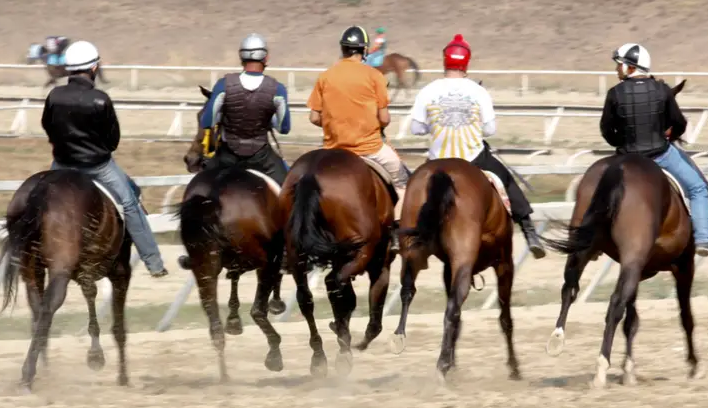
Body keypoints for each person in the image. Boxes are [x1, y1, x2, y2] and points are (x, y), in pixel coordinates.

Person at [409, 34, 546, 259]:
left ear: (445, 61)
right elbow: (490, 130)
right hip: (473, 158)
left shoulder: (428, 90)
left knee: (412, 187)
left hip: (437, 160)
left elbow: (416, 128)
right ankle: (529, 230)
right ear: (466, 63)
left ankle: (402, 233)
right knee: (506, 179)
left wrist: (436, 126)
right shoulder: (478, 91)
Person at [41, 41, 169, 278]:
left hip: (61, 165)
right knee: (130, 203)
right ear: (93, 68)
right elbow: (112, 140)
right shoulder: (100, 99)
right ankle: (154, 262)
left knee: (39, 201)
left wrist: (63, 147)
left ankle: (23, 254)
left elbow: (47, 126)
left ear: (69, 69)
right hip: (98, 167)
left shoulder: (54, 95)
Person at [600, 43, 708, 262]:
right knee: (698, 188)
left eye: (618, 65)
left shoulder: (614, 93)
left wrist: (621, 144)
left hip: (626, 158)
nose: (616, 69)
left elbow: (606, 129)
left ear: (630, 67)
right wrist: (669, 136)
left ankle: (593, 240)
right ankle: (705, 239)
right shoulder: (662, 90)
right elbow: (679, 123)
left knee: (599, 193)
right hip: (661, 154)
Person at [307, 25, 411, 249]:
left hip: (333, 149)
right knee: (404, 181)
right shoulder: (374, 76)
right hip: (370, 148)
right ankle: (395, 231)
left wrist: (336, 122)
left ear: (343, 49)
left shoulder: (325, 76)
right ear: (364, 50)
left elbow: (314, 117)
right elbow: (384, 119)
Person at [200, 33, 291, 186]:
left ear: (241, 57)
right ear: (265, 58)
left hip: (227, 156)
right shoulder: (278, 89)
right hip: (262, 158)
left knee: (200, 186)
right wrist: (268, 118)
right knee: (289, 188)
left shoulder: (223, 85)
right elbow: (284, 128)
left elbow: (207, 122)